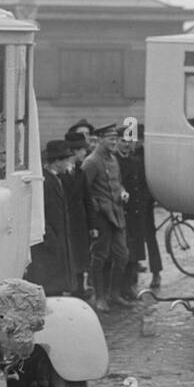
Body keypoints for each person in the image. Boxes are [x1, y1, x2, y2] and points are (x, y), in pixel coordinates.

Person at [82, 122, 130, 311]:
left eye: (115, 139)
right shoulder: (91, 162)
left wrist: (123, 192)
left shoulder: (114, 159)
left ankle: (114, 293)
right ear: (100, 140)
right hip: (101, 216)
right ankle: (99, 296)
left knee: (122, 254)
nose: (114, 142)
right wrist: (95, 208)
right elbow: (84, 191)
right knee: (100, 256)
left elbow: (118, 183)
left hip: (116, 214)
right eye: (110, 139)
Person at [25, 139, 73, 296]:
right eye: (66, 160)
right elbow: (41, 212)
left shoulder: (55, 179)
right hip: (49, 243)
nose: (68, 164)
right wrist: (51, 238)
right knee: (49, 283)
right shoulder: (46, 182)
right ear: (57, 162)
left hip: (56, 240)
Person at [118, 130, 159, 299]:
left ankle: (134, 283)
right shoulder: (115, 161)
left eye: (130, 141)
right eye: (123, 141)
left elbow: (144, 184)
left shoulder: (137, 161)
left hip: (139, 210)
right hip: (123, 210)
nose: (127, 144)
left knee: (137, 248)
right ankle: (123, 287)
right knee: (124, 249)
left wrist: (142, 202)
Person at [58, 130, 97, 297]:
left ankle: (80, 289)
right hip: (66, 222)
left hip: (80, 222)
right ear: (73, 152)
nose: (85, 153)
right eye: (81, 150)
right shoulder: (60, 174)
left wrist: (92, 224)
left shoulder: (80, 172)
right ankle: (72, 289)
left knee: (81, 256)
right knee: (70, 256)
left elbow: (88, 199)